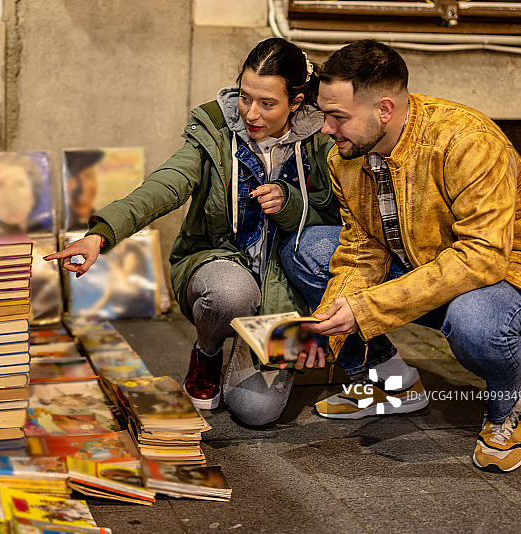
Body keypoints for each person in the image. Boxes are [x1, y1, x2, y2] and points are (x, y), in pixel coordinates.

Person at [282, 40, 521, 472]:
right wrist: (325, 330)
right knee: (306, 249)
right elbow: (361, 249)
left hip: (517, 279)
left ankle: (506, 408)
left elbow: (483, 256)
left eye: (338, 117)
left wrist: (366, 309)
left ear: (384, 110)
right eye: (323, 114)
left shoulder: (467, 141)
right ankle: (391, 383)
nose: (326, 129)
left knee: (475, 321)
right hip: (427, 266)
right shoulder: (346, 157)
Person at [45, 38, 341, 425]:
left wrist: (291, 203)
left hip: (284, 290)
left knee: (256, 412)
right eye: (245, 97)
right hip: (221, 263)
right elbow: (165, 185)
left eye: (267, 104)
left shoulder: (324, 139)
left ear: (297, 102)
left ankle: (255, 348)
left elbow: (337, 224)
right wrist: (101, 235)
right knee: (230, 294)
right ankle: (208, 350)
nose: (251, 113)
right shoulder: (215, 128)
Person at [0, 152, 47, 232]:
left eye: (19, 184)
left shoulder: (47, 235)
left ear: (33, 196)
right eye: (0, 185)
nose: (11, 197)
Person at [64, 149, 105, 230]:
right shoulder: (45, 227)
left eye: (88, 175)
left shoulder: (104, 223)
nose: (83, 188)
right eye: (74, 177)